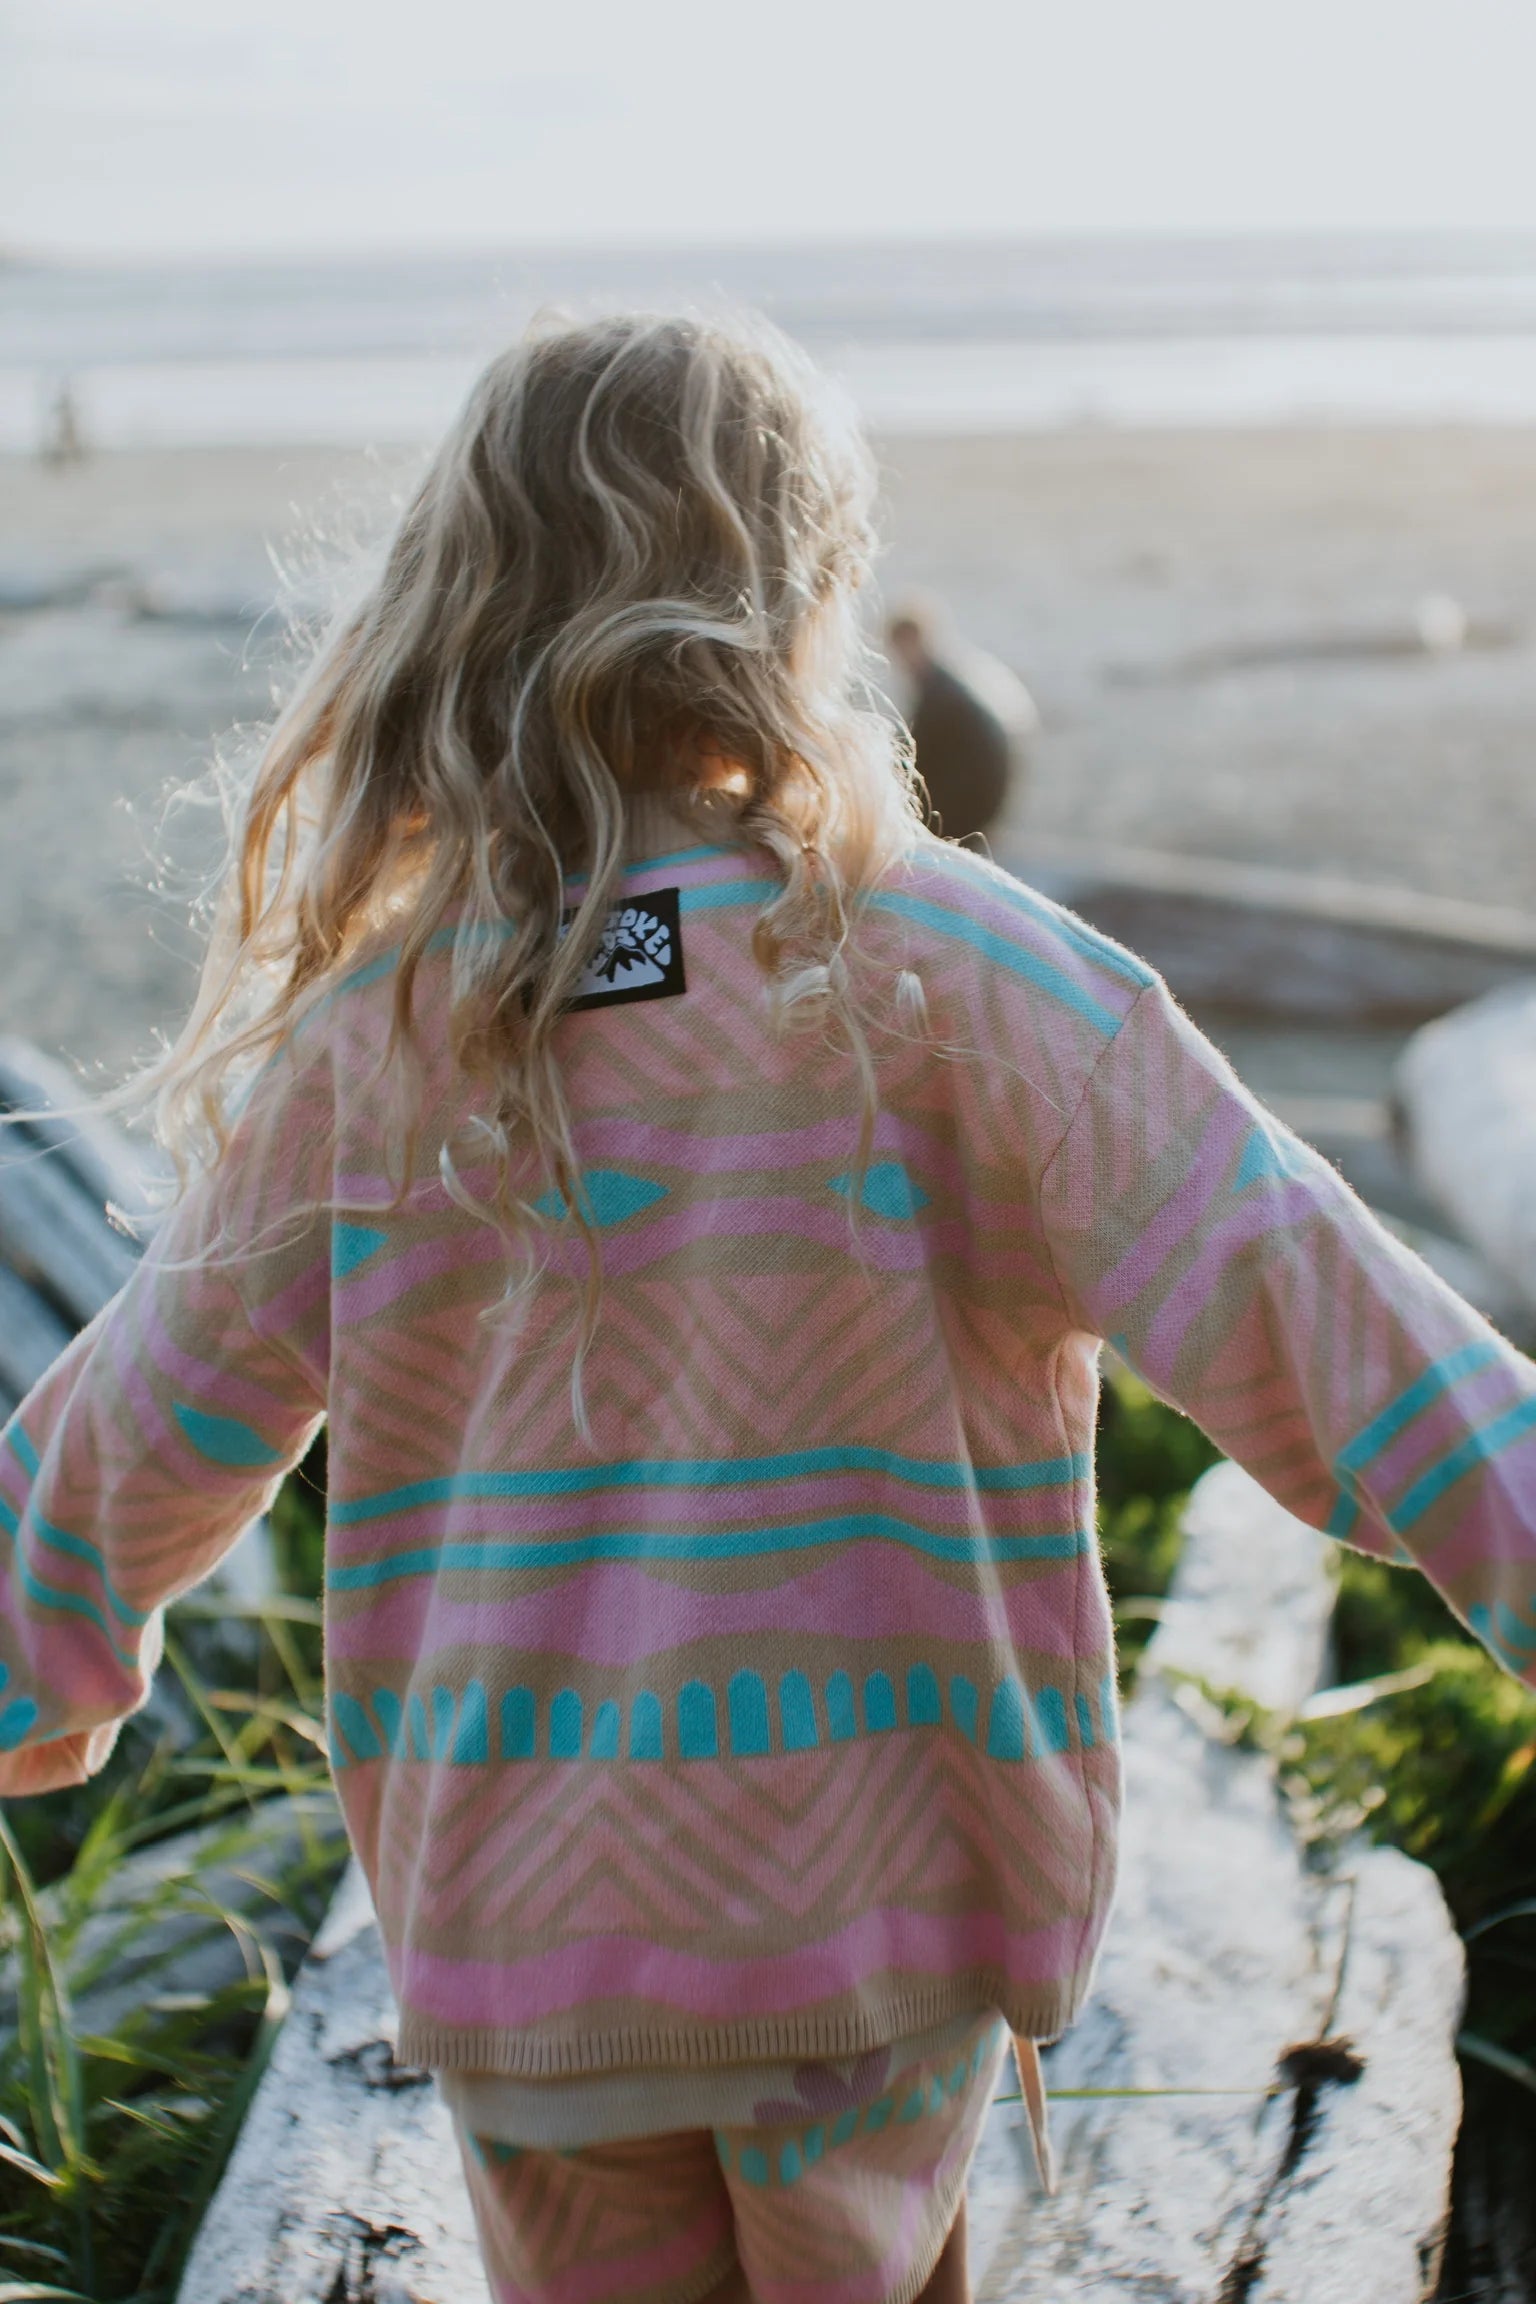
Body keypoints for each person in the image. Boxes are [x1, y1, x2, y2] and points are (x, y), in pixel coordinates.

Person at [0, 312, 1533, 2304]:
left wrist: (36, 1667)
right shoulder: (970, 976)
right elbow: (1318, 1312)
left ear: (461, 599)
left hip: (527, 1933)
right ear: (808, 591)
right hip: (878, 1913)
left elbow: (138, 1424)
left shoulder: (386, 1035)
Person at [886, 599, 1037, 845]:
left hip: (968, 805)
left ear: (911, 640)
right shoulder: (953, 679)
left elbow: (914, 756)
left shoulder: (940, 695)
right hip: (985, 799)